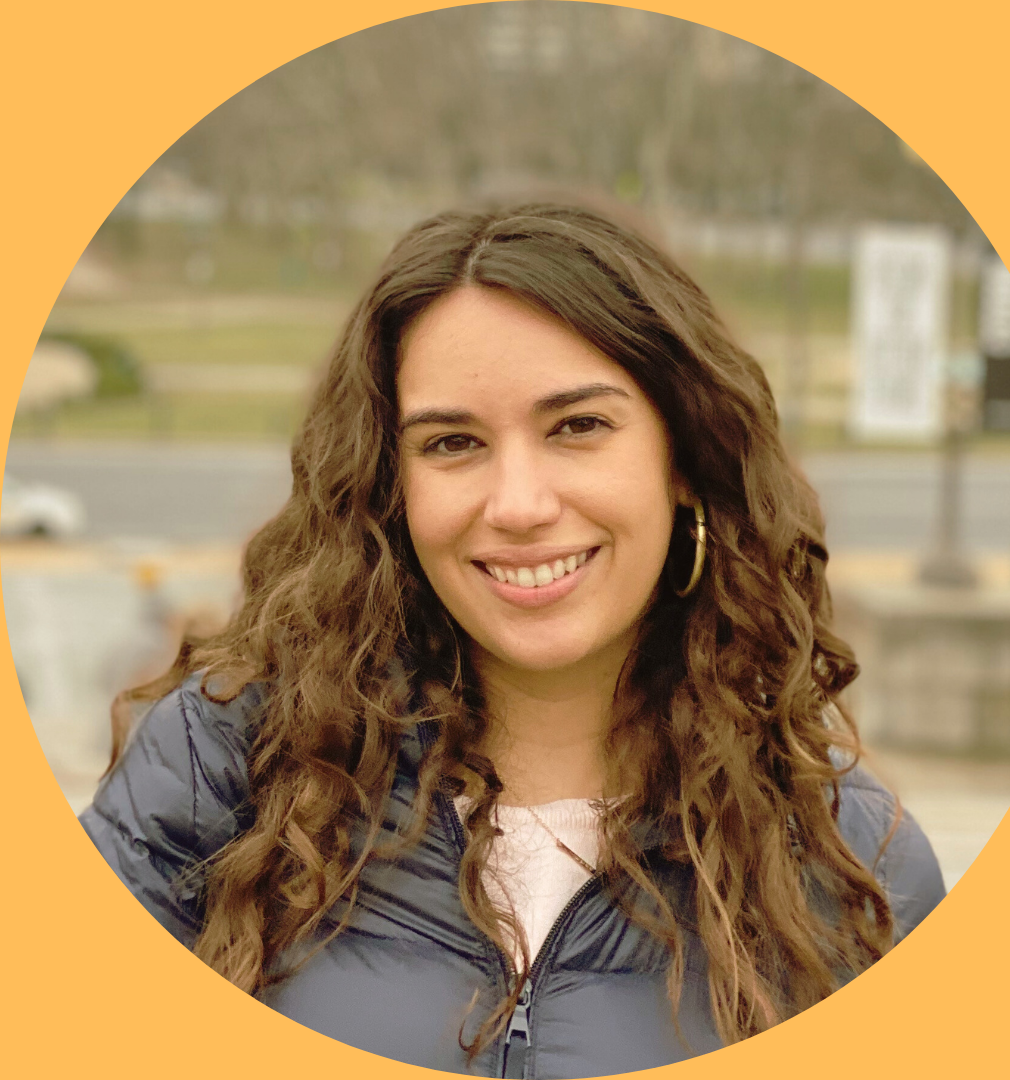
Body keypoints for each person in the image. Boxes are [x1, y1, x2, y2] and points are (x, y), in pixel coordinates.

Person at [80, 203, 945, 1079]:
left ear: (684, 456)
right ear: (391, 484)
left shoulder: (855, 863)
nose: (520, 505)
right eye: (453, 443)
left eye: (578, 427)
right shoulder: (223, 771)